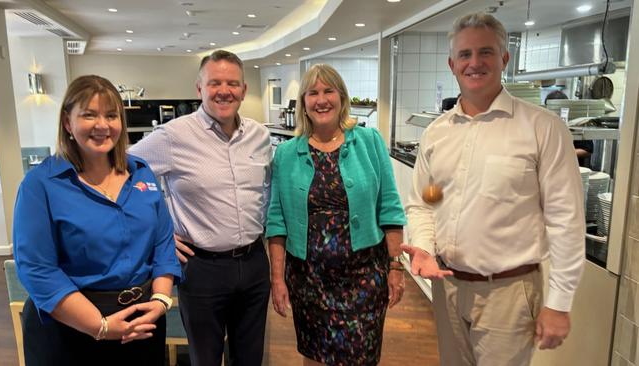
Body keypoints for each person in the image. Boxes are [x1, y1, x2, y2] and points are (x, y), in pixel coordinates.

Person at [402, 13, 585, 366]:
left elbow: (566, 220)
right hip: (449, 286)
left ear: (504, 58)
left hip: (509, 293)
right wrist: (424, 247)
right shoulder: (437, 133)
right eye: (465, 55)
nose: (474, 63)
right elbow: (425, 202)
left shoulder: (542, 128)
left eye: (485, 52)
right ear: (452, 64)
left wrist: (559, 304)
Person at [13, 75, 181, 366]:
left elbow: (163, 243)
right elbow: (37, 269)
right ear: (68, 122)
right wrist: (100, 326)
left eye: (111, 115)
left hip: (141, 323)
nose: (102, 125)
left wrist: (160, 301)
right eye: (89, 115)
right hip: (71, 328)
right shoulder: (40, 185)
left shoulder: (142, 174)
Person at [129, 50, 272, 366]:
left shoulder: (260, 137)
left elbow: (267, 190)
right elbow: (123, 175)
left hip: (254, 263)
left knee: (250, 358)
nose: (224, 90)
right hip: (201, 267)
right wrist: (160, 231)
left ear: (244, 90)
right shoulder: (172, 136)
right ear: (199, 89)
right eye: (215, 82)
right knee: (205, 359)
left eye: (232, 83)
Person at [267, 64, 407, 366]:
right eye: (313, 93)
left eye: (329, 91)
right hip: (308, 280)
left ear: (341, 97)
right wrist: (277, 279)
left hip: (364, 277)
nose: (321, 99)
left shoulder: (370, 142)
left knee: (362, 356)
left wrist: (396, 267)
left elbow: (390, 208)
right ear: (303, 102)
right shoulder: (287, 153)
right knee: (315, 356)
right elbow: (276, 221)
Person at [544, 90, 594, 167]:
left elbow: (587, 150)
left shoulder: (576, 124)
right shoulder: (545, 124)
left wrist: (563, 154)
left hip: (572, 168)